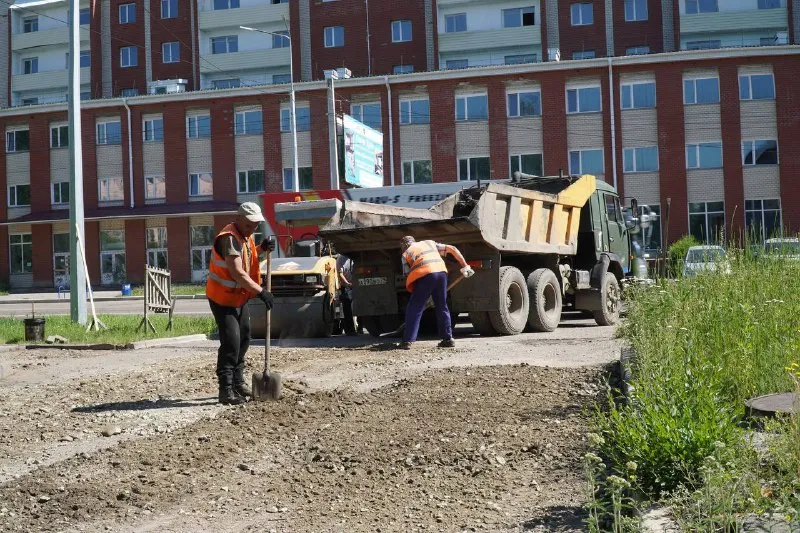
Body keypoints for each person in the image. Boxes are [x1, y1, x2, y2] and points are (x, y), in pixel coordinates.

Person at [206, 202, 275, 405]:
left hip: (238, 298)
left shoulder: (244, 236)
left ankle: (237, 381)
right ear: (238, 219)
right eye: (250, 224)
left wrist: (262, 248)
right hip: (222, 298)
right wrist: (261, 291)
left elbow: (249, 258)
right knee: (231, 342)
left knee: (245, 337)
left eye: (256, 225)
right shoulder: (228, 238)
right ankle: (225, 390)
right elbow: (237, 272)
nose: (253, 228)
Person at [399, 236, 474, 350]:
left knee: (415, 307)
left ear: (404, 246)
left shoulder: (406, 253)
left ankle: (407, 340)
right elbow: (453, 248)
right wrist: (465, 266)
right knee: (442, 306)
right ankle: (447, 339)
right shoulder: (429, 243)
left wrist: (420, 295)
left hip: (424, 274)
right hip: (441, 273)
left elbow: (408, 276)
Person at [336, 253, 357, 336]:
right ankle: (350, 330)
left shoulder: (355, 256)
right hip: (346, 286)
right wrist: (347, 283)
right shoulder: (341, 259)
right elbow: (340, 273)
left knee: (358, 305)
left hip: (355, 284)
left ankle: (360, 328)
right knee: (347, 308)